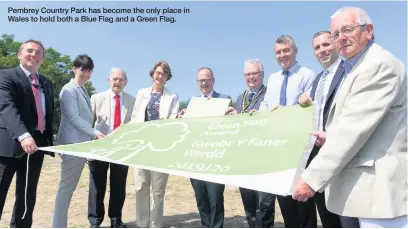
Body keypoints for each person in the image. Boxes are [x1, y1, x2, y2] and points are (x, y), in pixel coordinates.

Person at [292, 7, 407, 228]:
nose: (340, 38)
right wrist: (330, 136)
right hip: (365, 192)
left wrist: (310, 179)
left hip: (381, 194)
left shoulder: (378, 65)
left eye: (347, 30)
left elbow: (352, 131)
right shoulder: (355, 68)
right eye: (335, 34)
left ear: (369, 30)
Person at [259, 35, 316, 227]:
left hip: (300, 148)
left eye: (286, 50)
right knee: (285, 202)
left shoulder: (308, 75)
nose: (282, 55)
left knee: (303, 204)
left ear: (295, 51)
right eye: (278, 52)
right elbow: (265, 106)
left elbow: (312, 109)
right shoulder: (273, 79)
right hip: (278, 150)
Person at [0, 39, 54, 228]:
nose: (34, 55)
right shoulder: (6, 76)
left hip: (36, 146)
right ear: (19, 54)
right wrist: (24, 135)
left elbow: (48, 114)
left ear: (43, 59)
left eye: (39, 53)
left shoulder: (46, 83)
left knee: (27, 195)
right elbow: (7, 108)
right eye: (29, 51)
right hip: (8, 145)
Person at [297, 31, 344, 228]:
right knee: (327, 216)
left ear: (335, 44)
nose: (322, 50)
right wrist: (307, 104)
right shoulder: (317, 81)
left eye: (326, 45)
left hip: (341, 153)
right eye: (317, 47)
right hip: (318, 155)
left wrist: (332, 136)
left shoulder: (348, 72)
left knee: (345, 217)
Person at [52, 54, 105, 228]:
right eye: (82, 69)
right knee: (66, 189)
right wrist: (95, 133)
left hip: (81, 145)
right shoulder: (68, 89)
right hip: (72, 145)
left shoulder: (82, 90)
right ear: (74, 69)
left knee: (69, 188)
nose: (86, 73)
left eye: (89, 70)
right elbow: (74, 118)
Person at [225, 59, 275, 228]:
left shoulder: (270, 95)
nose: (251, 77)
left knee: (265, 204)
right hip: (244, 159)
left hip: (265, 158)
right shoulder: (240, 98)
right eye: (248, 74)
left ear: (262, 74)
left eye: (254, 73)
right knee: (249, 205)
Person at [130, 61, 179, 228]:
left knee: (158, 189)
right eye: (158, 73)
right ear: (153, 74)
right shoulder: (142, 93)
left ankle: (156, 224)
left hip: (160, 147)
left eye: (164, 74)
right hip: (141, 146)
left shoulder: (172, 97)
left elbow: (172, 120)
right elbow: (135, 117)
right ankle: (142, 224)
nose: (160, 76)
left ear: (167, 78)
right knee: (141, 186)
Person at [88, 68, 135, 228]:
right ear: (109, 80)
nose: (117, 82)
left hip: (121, 149)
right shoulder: (96, 98)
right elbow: (88, 124)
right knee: (96, 187)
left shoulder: (132, 101)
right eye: (114, 79)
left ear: (126, 82)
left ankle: (116, 219)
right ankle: (95, 221)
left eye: (121, 80)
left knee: (119, 186)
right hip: (100, 147)